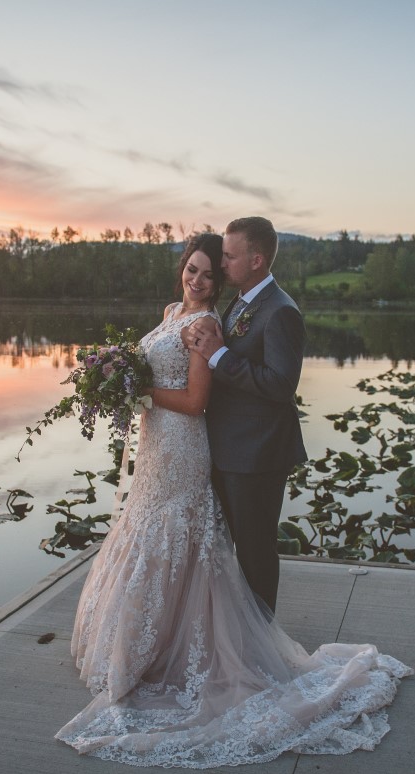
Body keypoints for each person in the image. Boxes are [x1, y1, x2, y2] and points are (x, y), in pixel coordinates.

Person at [56, 232, 411, 768]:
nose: (201, 277)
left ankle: (247, 648)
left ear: (246, 264)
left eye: (212, 269)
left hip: (199, 444)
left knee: (208, 541)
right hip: (165, 446)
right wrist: (118, 371)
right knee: (163, 533)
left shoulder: (218, 323)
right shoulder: (182, 310)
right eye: (195, 268)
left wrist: (140, 391)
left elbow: (205, 398)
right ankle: (159, 642)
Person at [182, 216, 305, 612]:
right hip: (226, 449)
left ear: (257, 260)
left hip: (258, 455)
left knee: (255, 554)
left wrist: (218, 356)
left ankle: (263, 641)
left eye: (230, 257)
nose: (221, 265)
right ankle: (236, 634)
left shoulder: (281, 311)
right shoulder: (240, 302)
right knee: (226, 550)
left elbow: (280, 386)